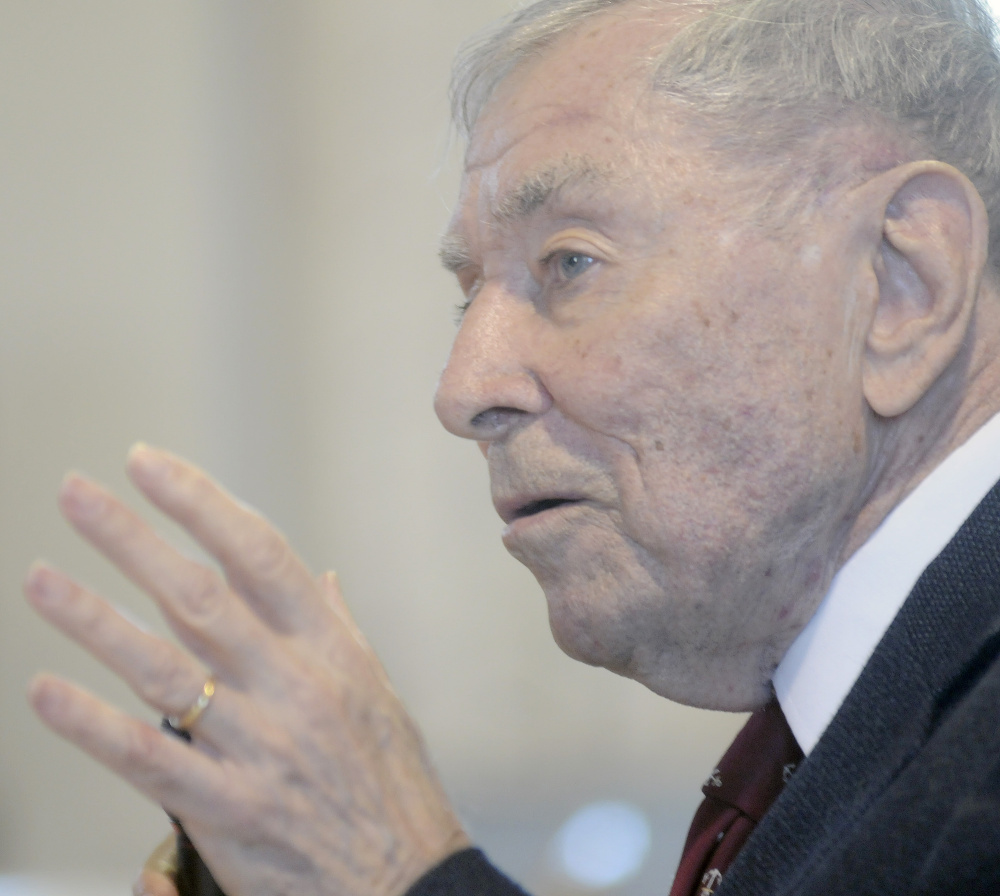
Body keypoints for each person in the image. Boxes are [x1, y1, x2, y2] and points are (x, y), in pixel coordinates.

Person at [25, 0, 1000, 893]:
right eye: (468, 293)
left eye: (569, 262)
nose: (462, 390)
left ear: (900, 283)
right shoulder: (837, 738)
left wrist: (391, 867)